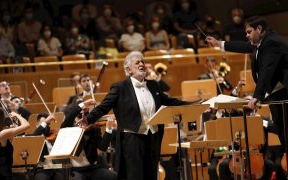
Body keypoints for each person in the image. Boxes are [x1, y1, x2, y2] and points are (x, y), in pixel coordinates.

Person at [77, 51, 191, 179]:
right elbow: (104, 107)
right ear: (128, 69)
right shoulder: (119, 87)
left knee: (152, 175)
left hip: (153, 137)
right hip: (131, 140)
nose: (141, 64)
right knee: (135, 176)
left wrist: (193, 104)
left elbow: (170, 101)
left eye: (142, 61)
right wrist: (88, 119)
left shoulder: (153, 85)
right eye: (137, 62)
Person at [206, 15, 288, 179]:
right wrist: (219, 43)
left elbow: (266, 71)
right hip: (275, 96)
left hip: (284, 96)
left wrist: (257, 97)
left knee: (285, 133)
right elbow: (244, 46)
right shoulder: (261, 43)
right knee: (282, 134)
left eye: (249, 32)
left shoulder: (272, 42)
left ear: (259, 29)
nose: (247, 35)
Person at [61, 97, 117, 180]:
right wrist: (83, 104)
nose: (83, 110)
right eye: (81, 109)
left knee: (112, 176)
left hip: (93, 168)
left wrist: (108, 129)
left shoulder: (93, 128)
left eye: (85, 109)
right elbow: (70, 116)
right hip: (77, 170)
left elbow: (103, 147)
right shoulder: (68, 128)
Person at [0, 106, 30, 180]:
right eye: (3, 116)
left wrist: (13, 129)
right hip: (4, 173)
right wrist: (17, 115)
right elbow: (27, 126)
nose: (5, 117)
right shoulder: (3, 134)